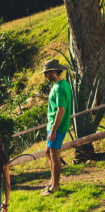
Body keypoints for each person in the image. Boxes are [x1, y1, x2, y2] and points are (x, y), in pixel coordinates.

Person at [42, 58, 72, 196]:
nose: (45, 76)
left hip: (57, 126)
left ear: (53, 71)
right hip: (53, 124)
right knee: (48, 152)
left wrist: (53, 130)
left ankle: (55, 186)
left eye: (46, 73)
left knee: (54, 154)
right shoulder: (63, 84)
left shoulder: (60, 88)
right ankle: (52, 181)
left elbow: (61, 110)